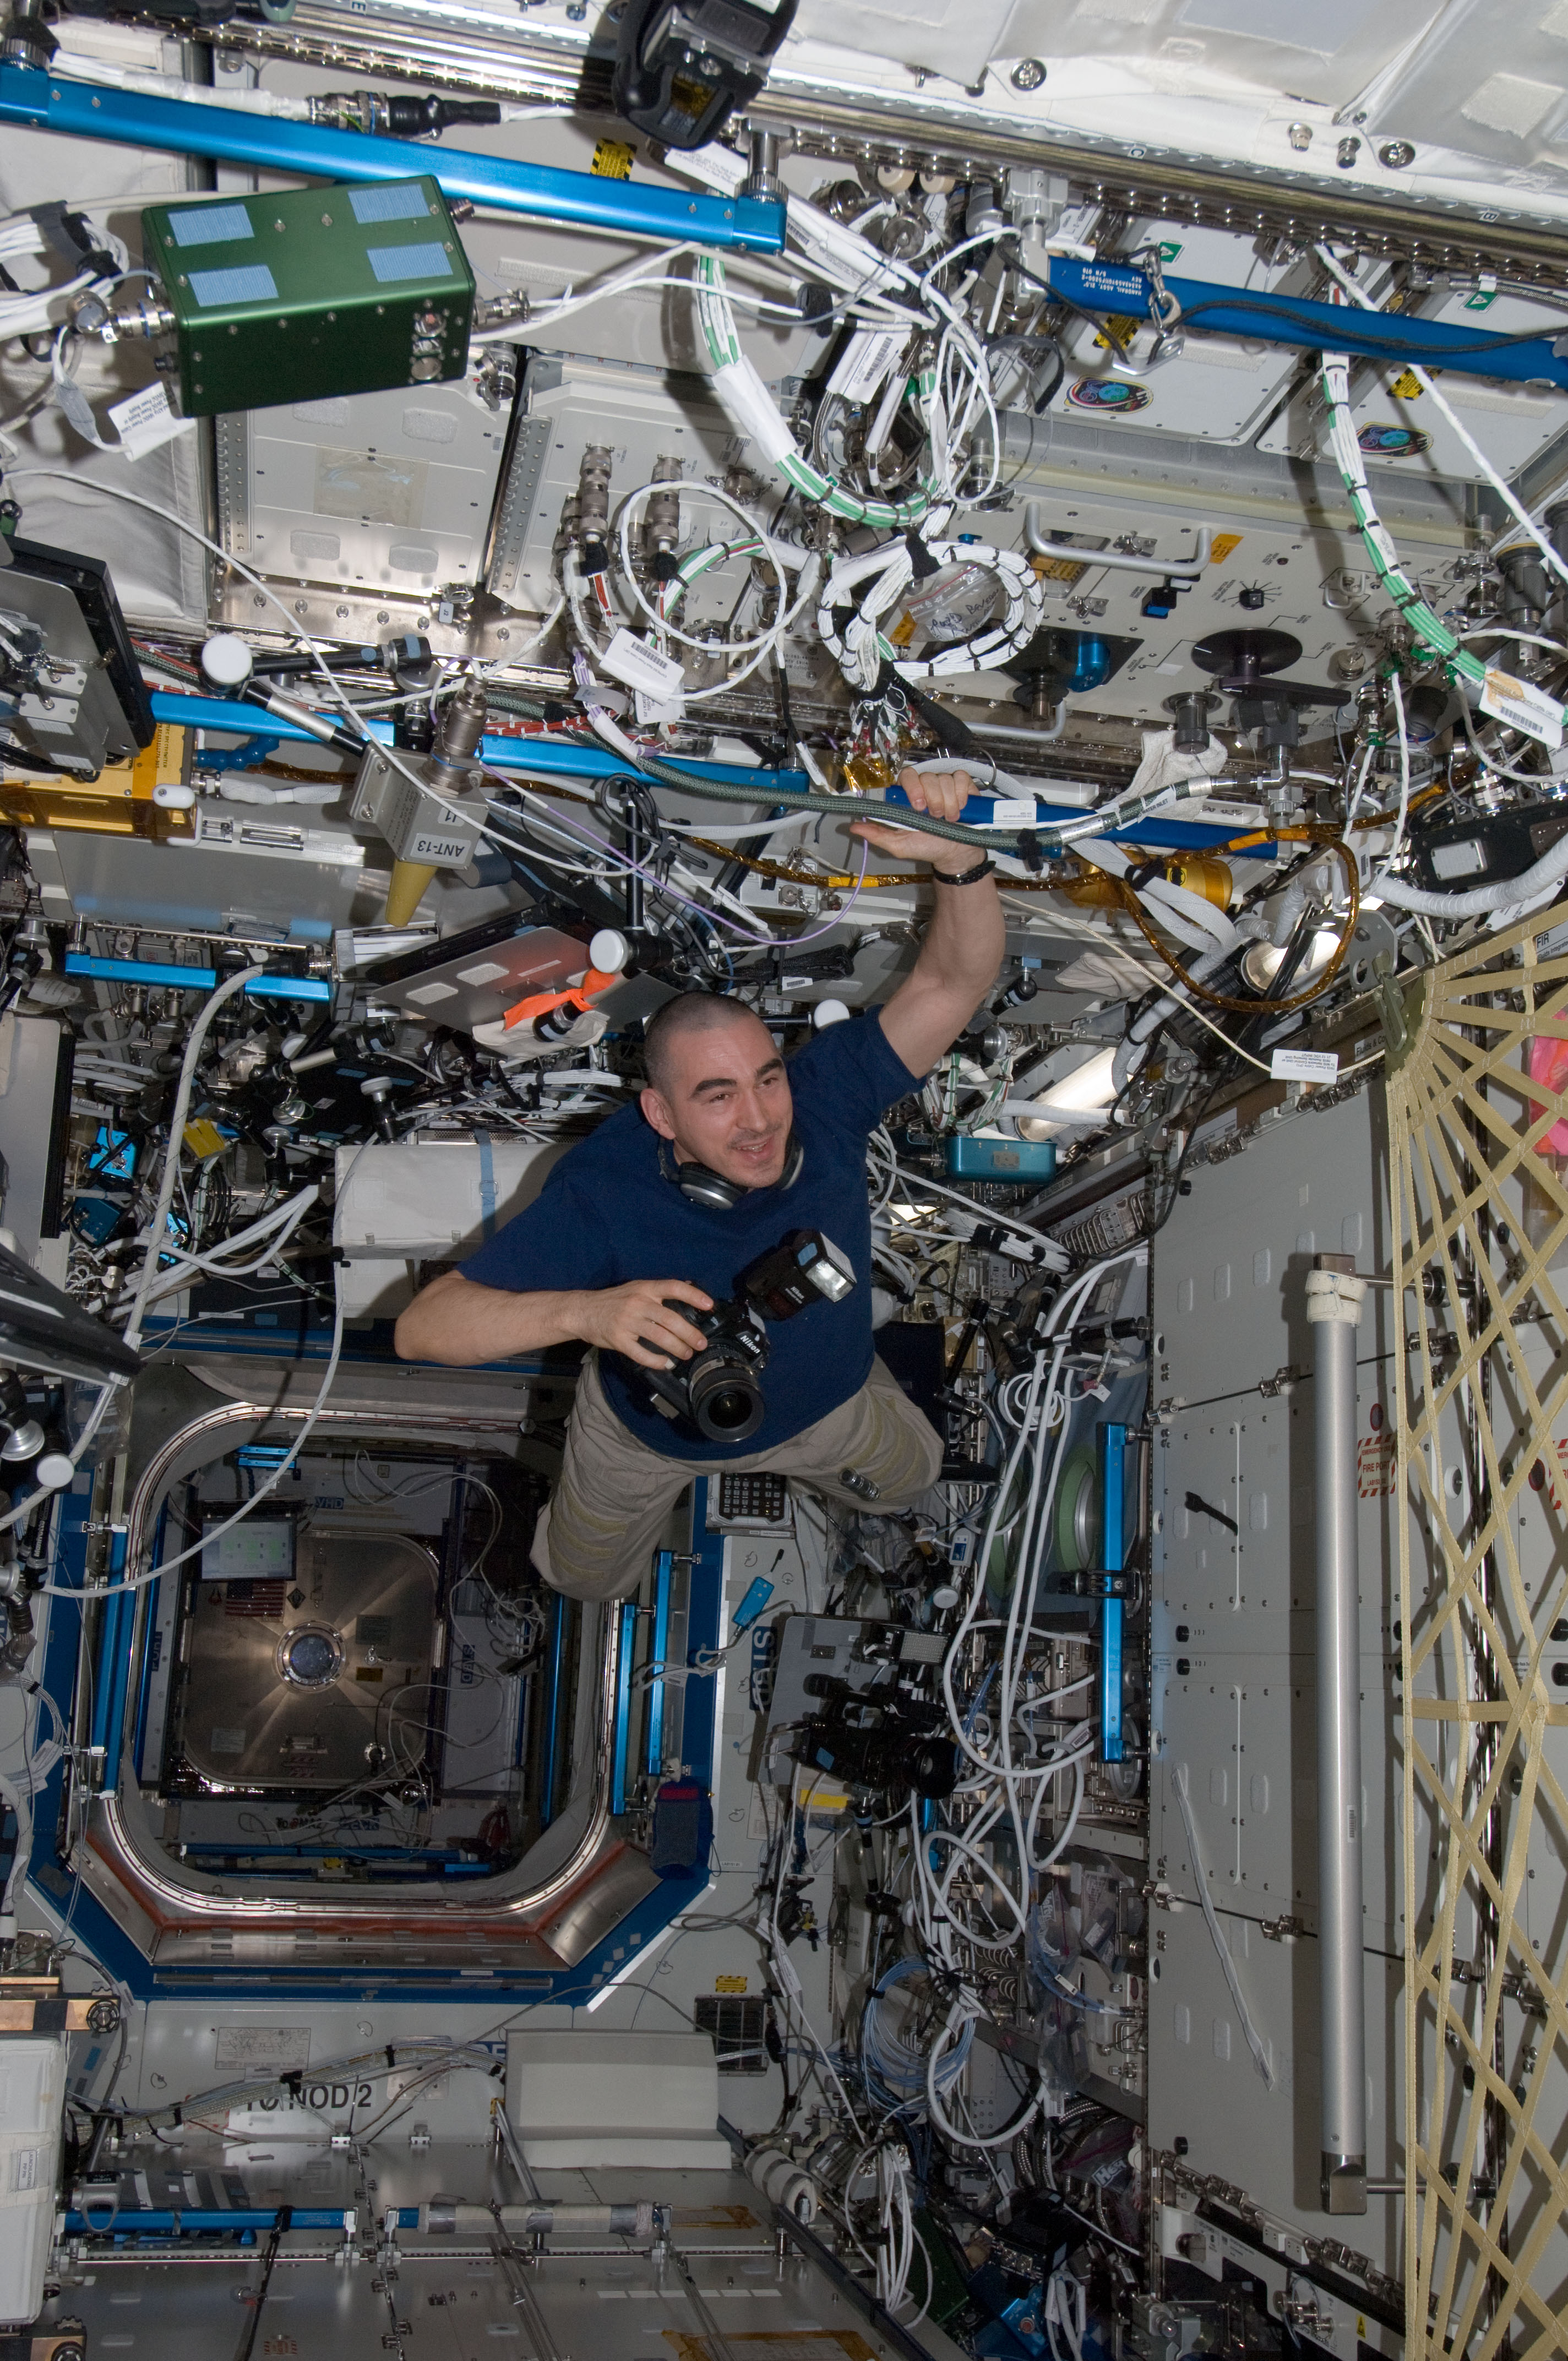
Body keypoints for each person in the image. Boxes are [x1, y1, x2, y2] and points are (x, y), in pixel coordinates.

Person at [394, 768, 1005, 1600]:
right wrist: (591, 1314)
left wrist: (961, 859)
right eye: (717, 1099)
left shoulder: (822, 1101)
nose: (759, 1120)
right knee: (584, 1581)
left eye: (765, 1080)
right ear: (661, 1114)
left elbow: (952, 983)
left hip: (829, 1407)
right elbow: (422, 1331)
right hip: (649, 1440)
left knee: (913, 1478)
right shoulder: (603, 1188)